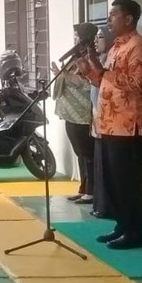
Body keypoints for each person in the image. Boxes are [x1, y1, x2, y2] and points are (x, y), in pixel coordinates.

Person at [81, 0, 142, 249]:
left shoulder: (137, 46)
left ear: (129, 19)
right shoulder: (116, 47)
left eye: (113, 15)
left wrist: (103, 72)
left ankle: (136, 233)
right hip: (111, 124)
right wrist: (89, 70)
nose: (108, 19)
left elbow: (139, 84)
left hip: (130, 126)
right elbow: (105, 83)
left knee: (128, 182)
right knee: (115, 182)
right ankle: (123, 226)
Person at [54, 23, 98, 206]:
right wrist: (60, 74)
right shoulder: (76, 56)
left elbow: (87, 83)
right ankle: (83, 188)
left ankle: (92, 191)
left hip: (82, 114)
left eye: (77, 36)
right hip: (70, 113)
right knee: (80, 154)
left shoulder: (91, 57)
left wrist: (65, 75)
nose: (74, 39)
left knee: (88, 154)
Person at [89, 27, 114, 219]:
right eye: (95, 38)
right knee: (99, 164)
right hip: (98, 117)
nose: (96, 41)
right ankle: (99, 203)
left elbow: (108, 84)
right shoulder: (101, 58)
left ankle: (107, 206)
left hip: (110, 119)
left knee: (107, 166)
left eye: (100, 37)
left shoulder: (109, 60)